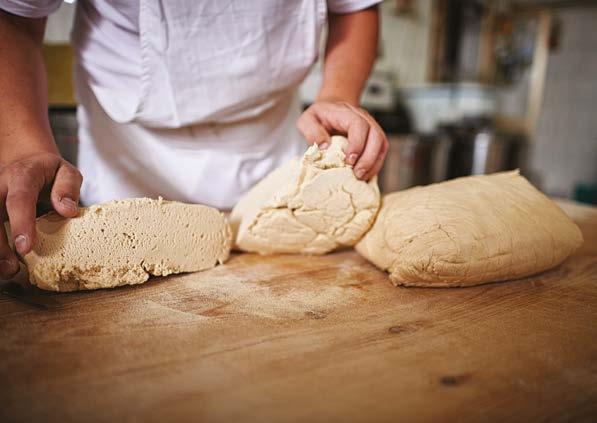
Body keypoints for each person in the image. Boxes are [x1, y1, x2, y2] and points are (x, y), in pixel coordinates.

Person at [0, 0, 388, 279]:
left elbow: (354, 6)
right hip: (131, 154)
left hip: (269, 162)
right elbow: (15, 15)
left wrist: (337, 93)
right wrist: (24, 146)